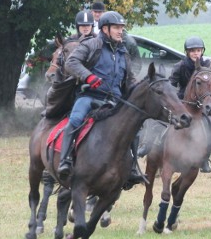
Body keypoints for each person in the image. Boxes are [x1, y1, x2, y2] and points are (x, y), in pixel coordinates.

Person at [57, 11, 145, 187]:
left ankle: (132, 168)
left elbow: (129, 80)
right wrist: (89, 77)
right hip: (90, 96)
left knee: (135, 129)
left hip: (114, 102)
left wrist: (141, 89)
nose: (121, 31)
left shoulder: (123, 52)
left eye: (122, 28)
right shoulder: (92, 45)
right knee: (74, 120)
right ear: (105, 29)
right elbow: (71, 63)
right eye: (117, 28)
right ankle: (65, 160)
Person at [168, 36, 211, 172]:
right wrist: (176, 101)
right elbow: (170, 86)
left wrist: (210, 98)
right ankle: (150, 146)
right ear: (187, 52)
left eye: (198, 50)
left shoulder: (209, 66)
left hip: (203, 106)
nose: (196, 53)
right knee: (162, 123)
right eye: (192, 51)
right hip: (183, 103)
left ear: (202, 51)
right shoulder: (180, 66)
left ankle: (204, 159)